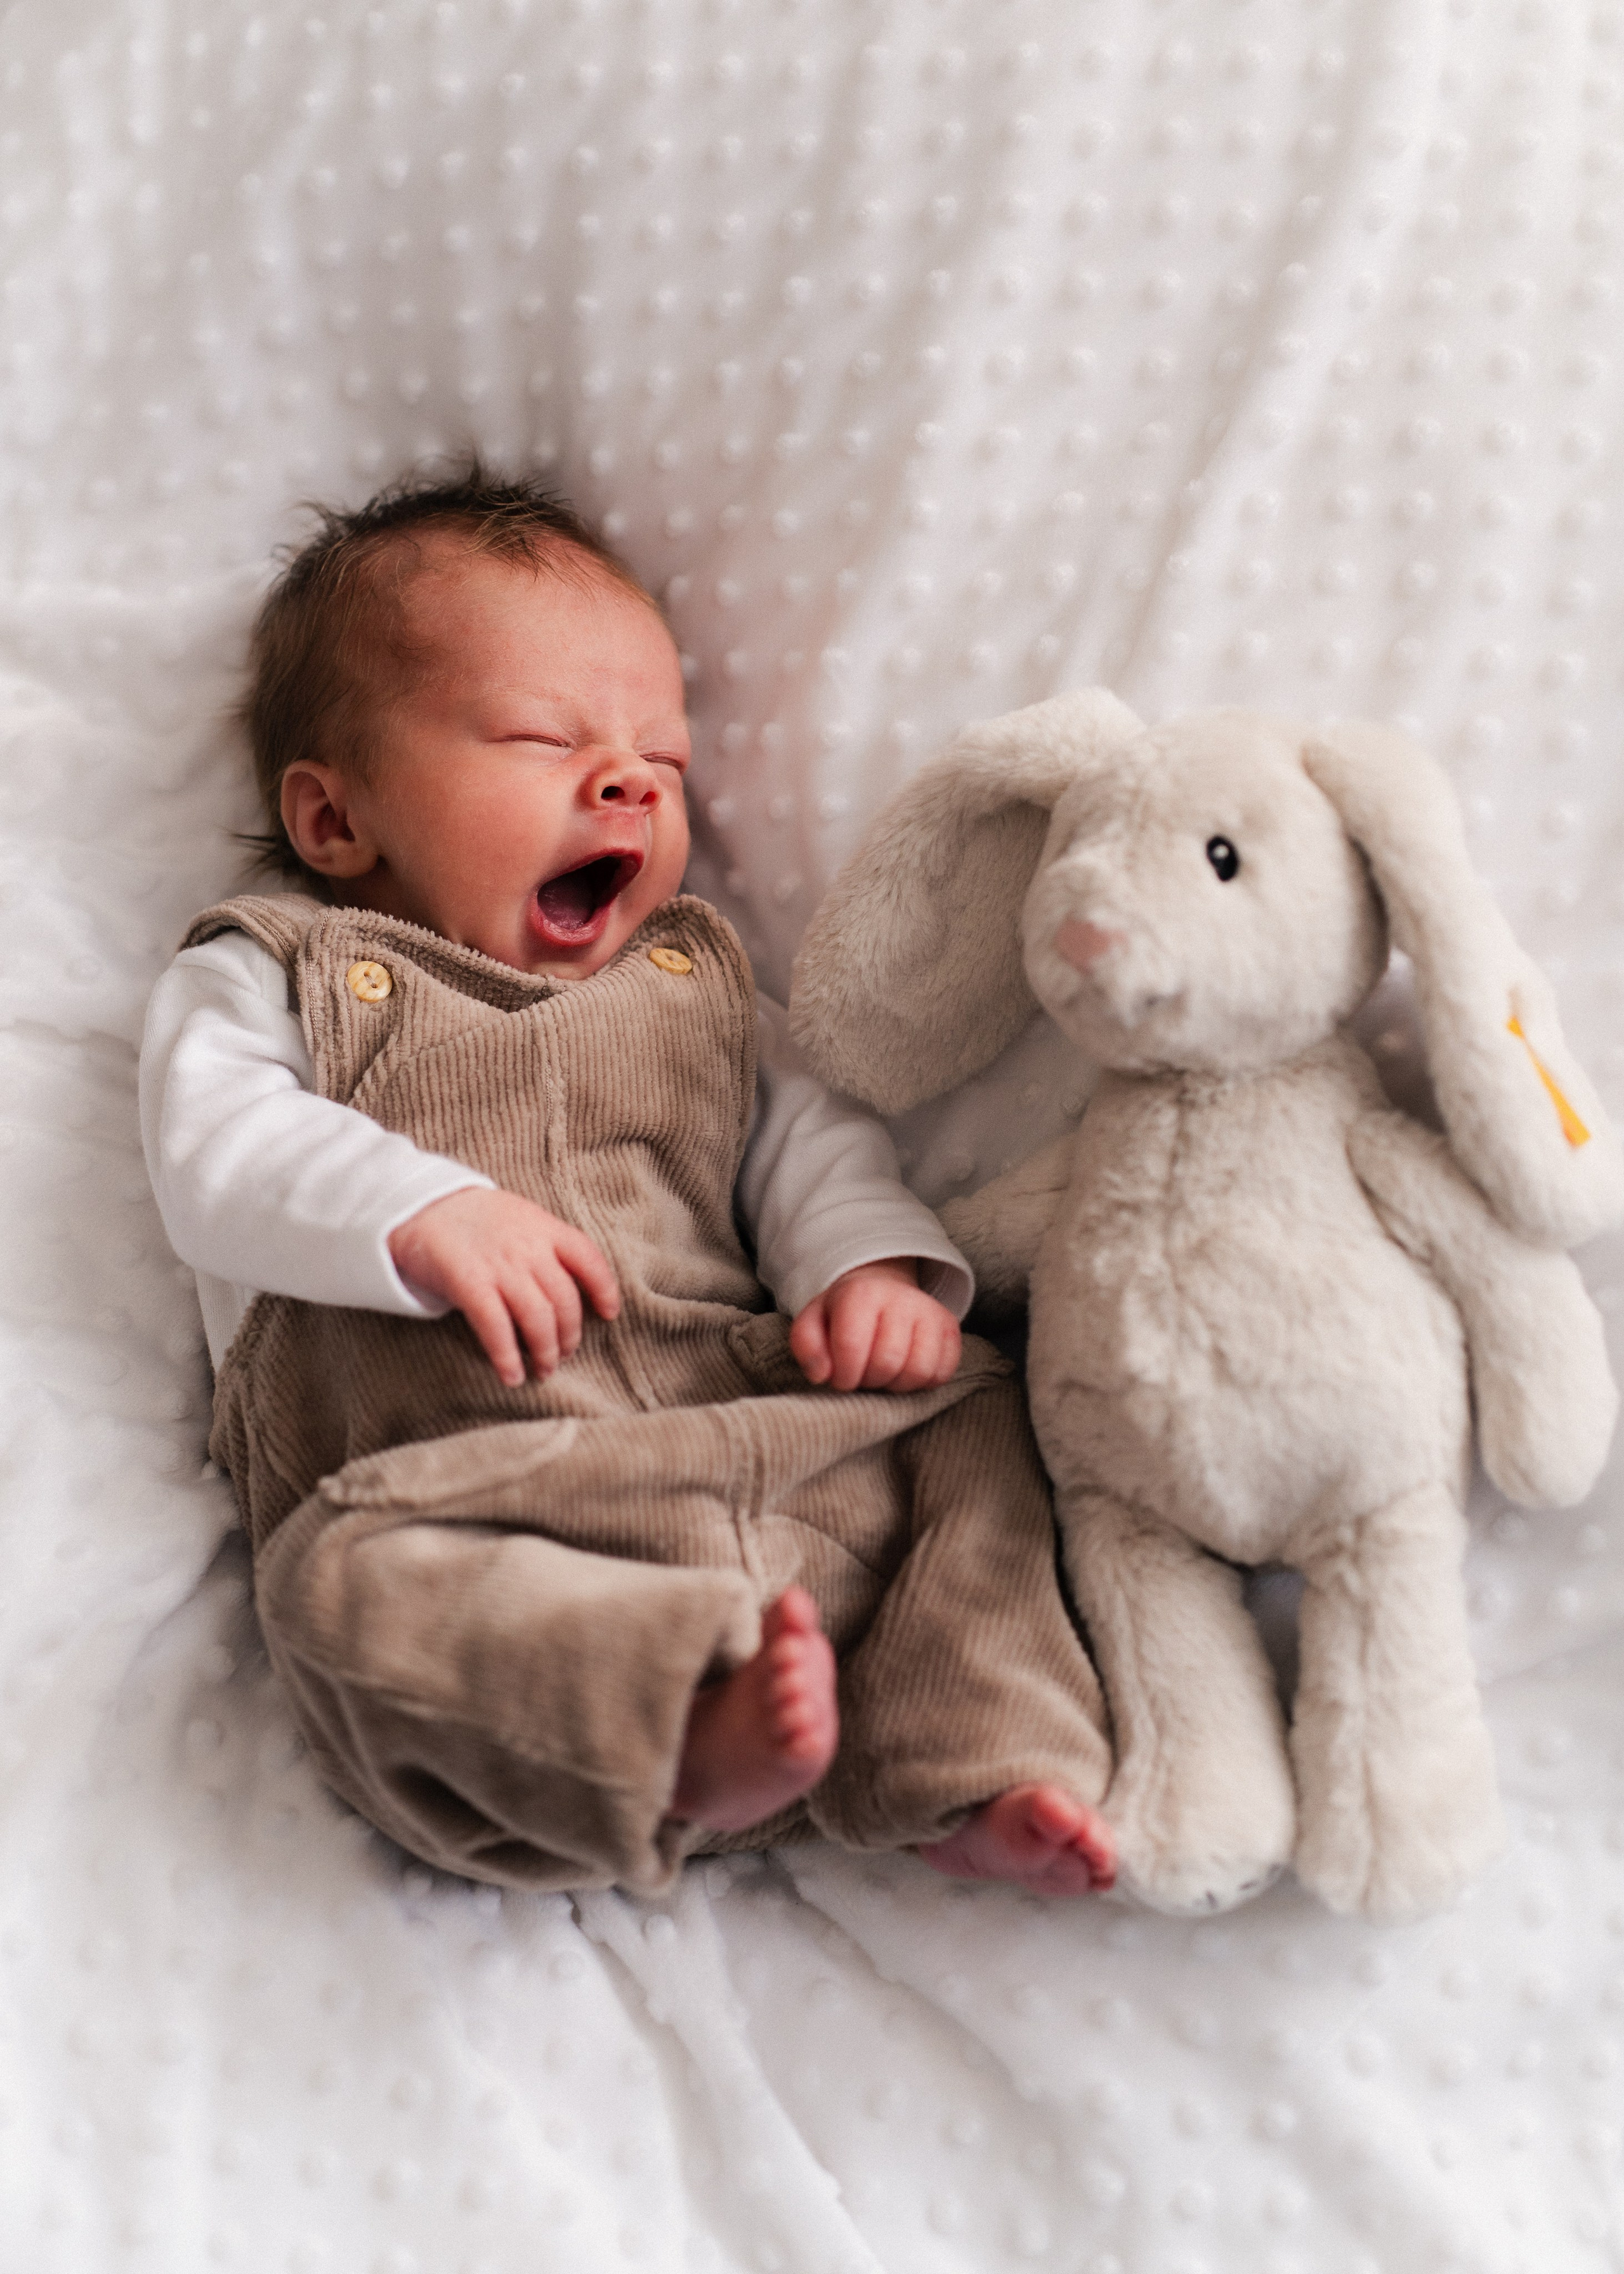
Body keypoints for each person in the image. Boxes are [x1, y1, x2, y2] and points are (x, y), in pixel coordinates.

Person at [140, 466, 1116, 1898]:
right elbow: (212, 1154)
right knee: (333, 1590)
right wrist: (416, 1212)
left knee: (969, 1418)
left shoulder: (696, 990)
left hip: (755, 1463)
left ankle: (963, 1750)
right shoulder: (265, 972)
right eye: (543, 737)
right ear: (335, 822)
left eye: (658, 763)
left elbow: (806, 1145)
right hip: (456, 1505)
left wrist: (864, 1270)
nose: (625, 784)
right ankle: (670, 1726)